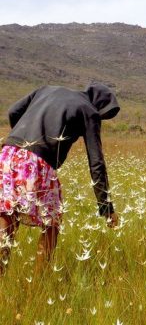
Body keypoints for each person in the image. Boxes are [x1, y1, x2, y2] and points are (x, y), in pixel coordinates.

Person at [0, 83, 120, 275]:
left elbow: (13, 110)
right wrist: (106, 208)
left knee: (7, 215)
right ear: (100, 106)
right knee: (52, 222)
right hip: (37, 162)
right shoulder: (89, 111)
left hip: (7, 153)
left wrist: (21, 140)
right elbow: (96, 162)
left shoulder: (47, 89)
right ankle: (39, 283)